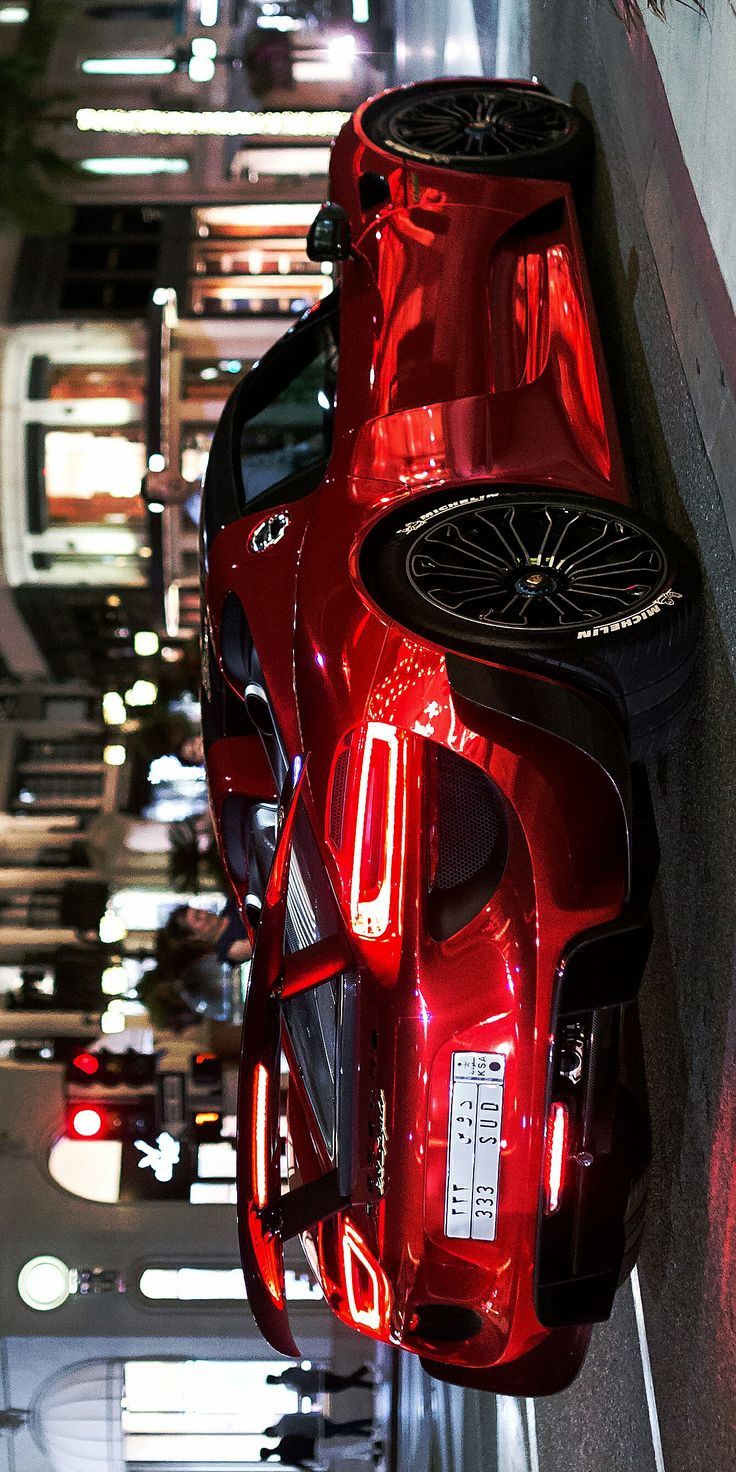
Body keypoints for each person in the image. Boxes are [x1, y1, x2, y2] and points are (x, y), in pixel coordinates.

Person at [265, 1364, 374, 1395]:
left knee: (346, 1382)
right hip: (320, 1384)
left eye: (276, 1381)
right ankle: (365, 1372)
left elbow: (301, 1373)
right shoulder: (288, 1385)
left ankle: (365, 1371)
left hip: (320, 1379)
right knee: (346, 1382)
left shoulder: (288, 1375)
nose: (278, 1382)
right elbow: (303, 1390)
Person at [264, 1413, 373, 1440]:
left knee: (344, 1429)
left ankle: (367, 1428)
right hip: (318, 1421)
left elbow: (303, 1436)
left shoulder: (286, 1435)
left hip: (318, 1431)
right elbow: (302, 1415)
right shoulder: (285, 1418)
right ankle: (367, 1429)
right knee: (343, 1429)